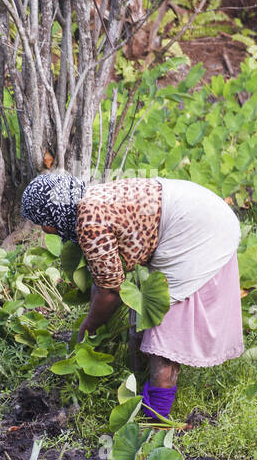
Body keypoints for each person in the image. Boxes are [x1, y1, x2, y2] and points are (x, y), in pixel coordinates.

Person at [20, 172, 244, 419]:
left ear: (53, 213)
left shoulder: (89, 223)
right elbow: (104, 278)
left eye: (41, 221)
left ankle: (156, 420)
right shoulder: (91, 199)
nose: (44, 229)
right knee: (144, 311)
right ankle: (140, 385)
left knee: (164, 334)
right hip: (200, 211)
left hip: (199, 230)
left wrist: (88, 327)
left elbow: (110, 292)